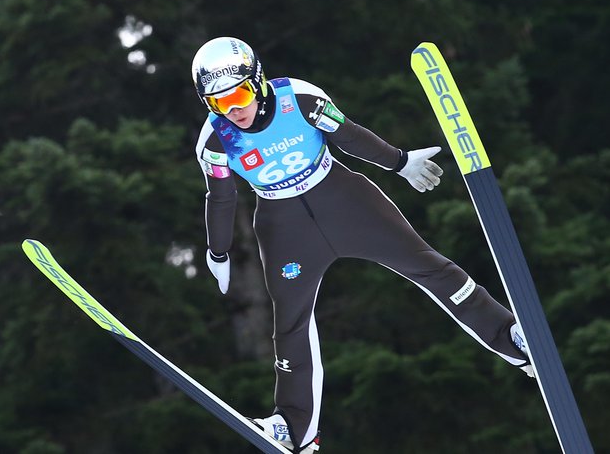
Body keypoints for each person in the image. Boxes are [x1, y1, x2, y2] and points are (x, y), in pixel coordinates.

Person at [191, 37, 532, 453]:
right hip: (284, 226)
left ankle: (511, 337)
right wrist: (218, 250)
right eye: (219, 103)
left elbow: (348, 136)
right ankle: (295, 428)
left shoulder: (299, 98)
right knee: (291, 325)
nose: (235, 110)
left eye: (241, 94)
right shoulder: (215, 141)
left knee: (431, 267)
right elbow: (221, 198)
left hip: (344, 199)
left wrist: (400, 161)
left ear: (258, 81)